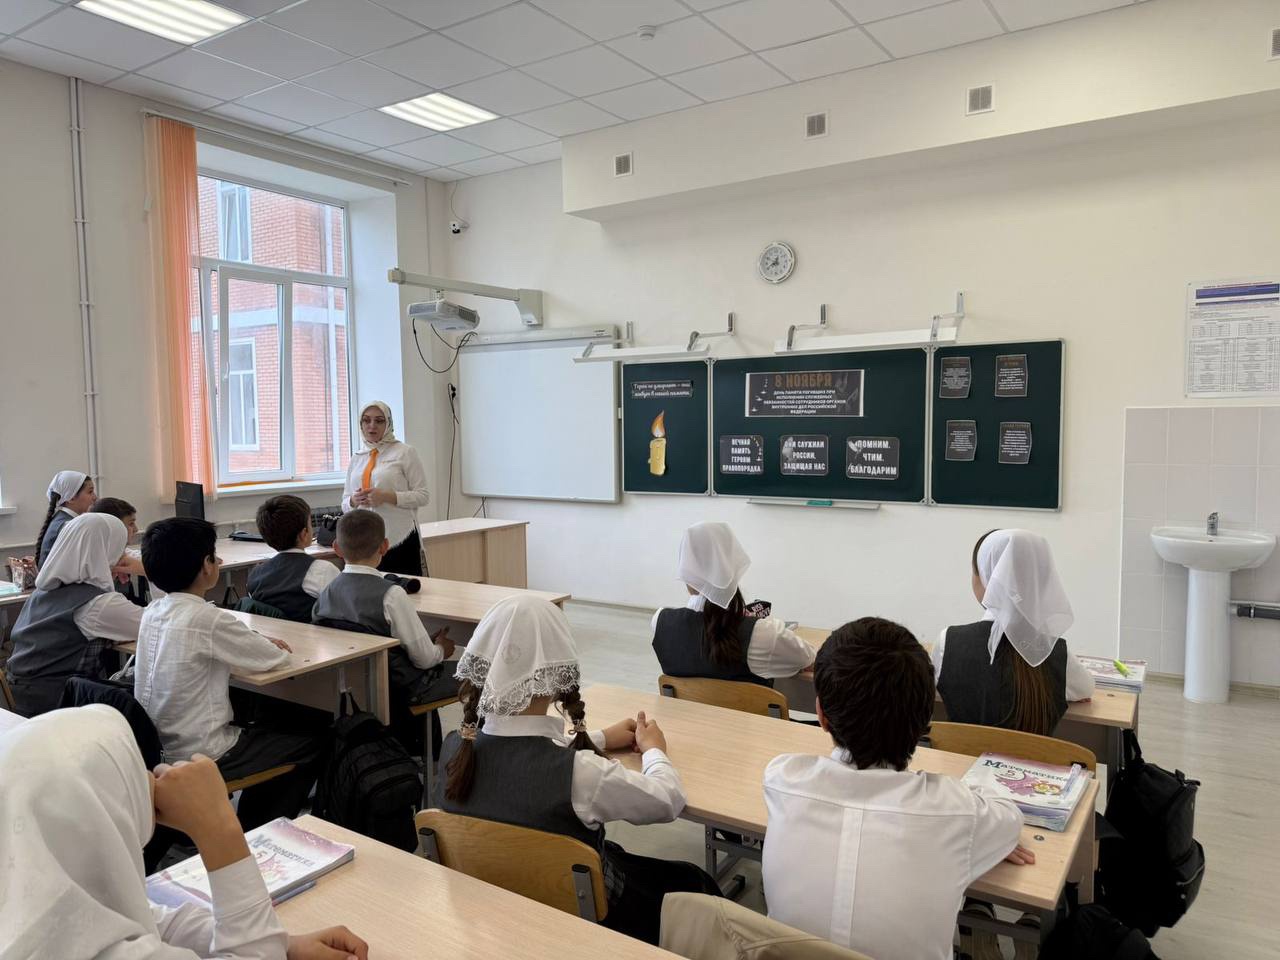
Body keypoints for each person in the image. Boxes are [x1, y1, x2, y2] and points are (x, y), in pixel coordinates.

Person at [437, 594, 721, 945]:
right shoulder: (581, 774)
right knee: (695, 881)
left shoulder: (453, 750)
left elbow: (521, 756)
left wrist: (598, 738)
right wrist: (653, 751)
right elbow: (667, 800)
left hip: (501, 914)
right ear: (558, 674)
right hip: (590, 919)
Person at [0, 704, 368, 960]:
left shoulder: (42, 899)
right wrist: (218, 827)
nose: (150, 778)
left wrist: (282, 945)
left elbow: (153, 921)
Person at [762, 617, 1027, 960]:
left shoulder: (782, 779)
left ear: (821, 715)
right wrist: (980, 825)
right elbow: (1010, 819)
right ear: (924, 722)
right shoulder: (956, 810)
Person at [135, 518, 325, 830]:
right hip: (206, 752)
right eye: (214, 556)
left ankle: (247, 822)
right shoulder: (207, 618)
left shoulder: (153, 611)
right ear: (205, 566)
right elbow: (275, 659)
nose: (218, 561)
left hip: (159, 748)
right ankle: (256, 829)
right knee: (314, 743)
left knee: (268, 726)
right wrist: (263, 644)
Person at [313, 509, 456, 753]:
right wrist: (442, 649)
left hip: (350, 688)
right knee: (477, 672)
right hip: (401, 690)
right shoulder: (391, 594)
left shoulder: (325, 592)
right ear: (385, 546)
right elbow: (424, 660)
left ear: (336, 548)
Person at [934, 529, 1095, 738]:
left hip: (958, 757)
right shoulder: (1053, 651)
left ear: (986, 577)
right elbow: (1085, 689)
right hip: (1032, 759)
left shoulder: (948, 641)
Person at [6, 514, 143, 717]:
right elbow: (159, 624)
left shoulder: (46, 589)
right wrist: (148, 571)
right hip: (56, 705)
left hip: (20, 695)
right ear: (105, 550)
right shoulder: (98, 604)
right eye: (119, 548)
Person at [652, 522, 813, 685]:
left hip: (686, 703)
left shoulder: (660, 622)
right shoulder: (765, 634)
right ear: (732, 560)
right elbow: (808, 659)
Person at [341, 401, 429, 576]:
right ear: (360, 424)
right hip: (365, 542)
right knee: (370, 590)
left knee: (403, 589)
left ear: (388, 423)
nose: (372, 426)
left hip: (399, 537)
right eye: (366, 420)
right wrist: (353, 501)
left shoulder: (404, 452)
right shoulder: (357, 457)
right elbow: (345, 503)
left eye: (379, 421)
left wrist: (387, 497)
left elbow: (423, 496)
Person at [246, 496, 340, 622]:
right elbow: (345, 610)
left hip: (269, 634)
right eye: (310, 524)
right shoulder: (322, 570)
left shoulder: (255, 575)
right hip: (311, 633)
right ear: (304, 534)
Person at [91, 497, 149, 602]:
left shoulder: (116, 554)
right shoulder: (97, 568)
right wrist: (148, 571)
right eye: (131, 524)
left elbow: (135, 555)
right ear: (114, 528)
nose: (136, 529)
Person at [36, 469, 96, 567]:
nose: (95, 497)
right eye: (90, 492)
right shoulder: (68, 524)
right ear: (71, 498)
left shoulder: (61, 518)